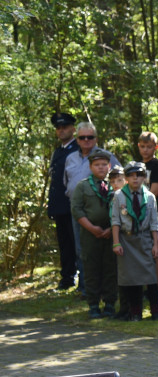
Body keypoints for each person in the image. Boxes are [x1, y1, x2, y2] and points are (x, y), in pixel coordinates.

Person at [64, 121, 121, 297]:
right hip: (79, 212)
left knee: (107, 252)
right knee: (82, 251)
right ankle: (86, 289)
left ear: (96, 138)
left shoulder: (106, 156)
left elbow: (120, 178)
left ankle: (108, 290)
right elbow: (66, 183)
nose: (86, 140)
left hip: (107, 213)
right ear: (77, 139)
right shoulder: (70, 157)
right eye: (82, 137)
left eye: (90, 137)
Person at [111, 162, 158, 321]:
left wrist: (155, 244)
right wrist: (116, 242)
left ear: (144, 178)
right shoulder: (119, 196)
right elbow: (115, 221)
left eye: (139, 175)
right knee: (131, 278)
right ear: (125, 178)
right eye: (131, 175)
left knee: (150, 276)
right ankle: (135, 312)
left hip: (144, 238)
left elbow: (154, 222)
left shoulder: (150, 196)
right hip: (127, 240)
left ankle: (156, 311)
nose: (135, 179)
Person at [71, 148, 117, 318]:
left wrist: (111, 229)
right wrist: (92, 228)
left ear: (109, 166)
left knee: (110, 268)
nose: (101, 168)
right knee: (91, 268)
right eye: (97, 165)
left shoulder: (115, 184)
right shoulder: (82, 186)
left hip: (112, 233)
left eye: (104, 164)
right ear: (90, 167)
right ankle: (93, 305)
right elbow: (76, 210)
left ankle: (110, 303)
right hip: (90, 234)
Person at [48, 112, 79, 290]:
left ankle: (78, 278)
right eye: (58, 128)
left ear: (73, 129)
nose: (61, 130)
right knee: (64, 244)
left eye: (65, 127)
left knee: (77, 243)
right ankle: (67, 277)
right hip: (60, 205)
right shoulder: (58, 151)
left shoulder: (78, 149)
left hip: (73, 204)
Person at [137, 132, 158, 287]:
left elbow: (154, 190)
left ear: (155, 147)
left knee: (156, 250)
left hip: (156, 214)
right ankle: (144, 283)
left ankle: (156, 286)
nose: (145, 150)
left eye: (149, 147)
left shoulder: (157, 165)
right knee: (142, 249)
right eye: (142, 147)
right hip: (138, 214)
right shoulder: (137, 166)